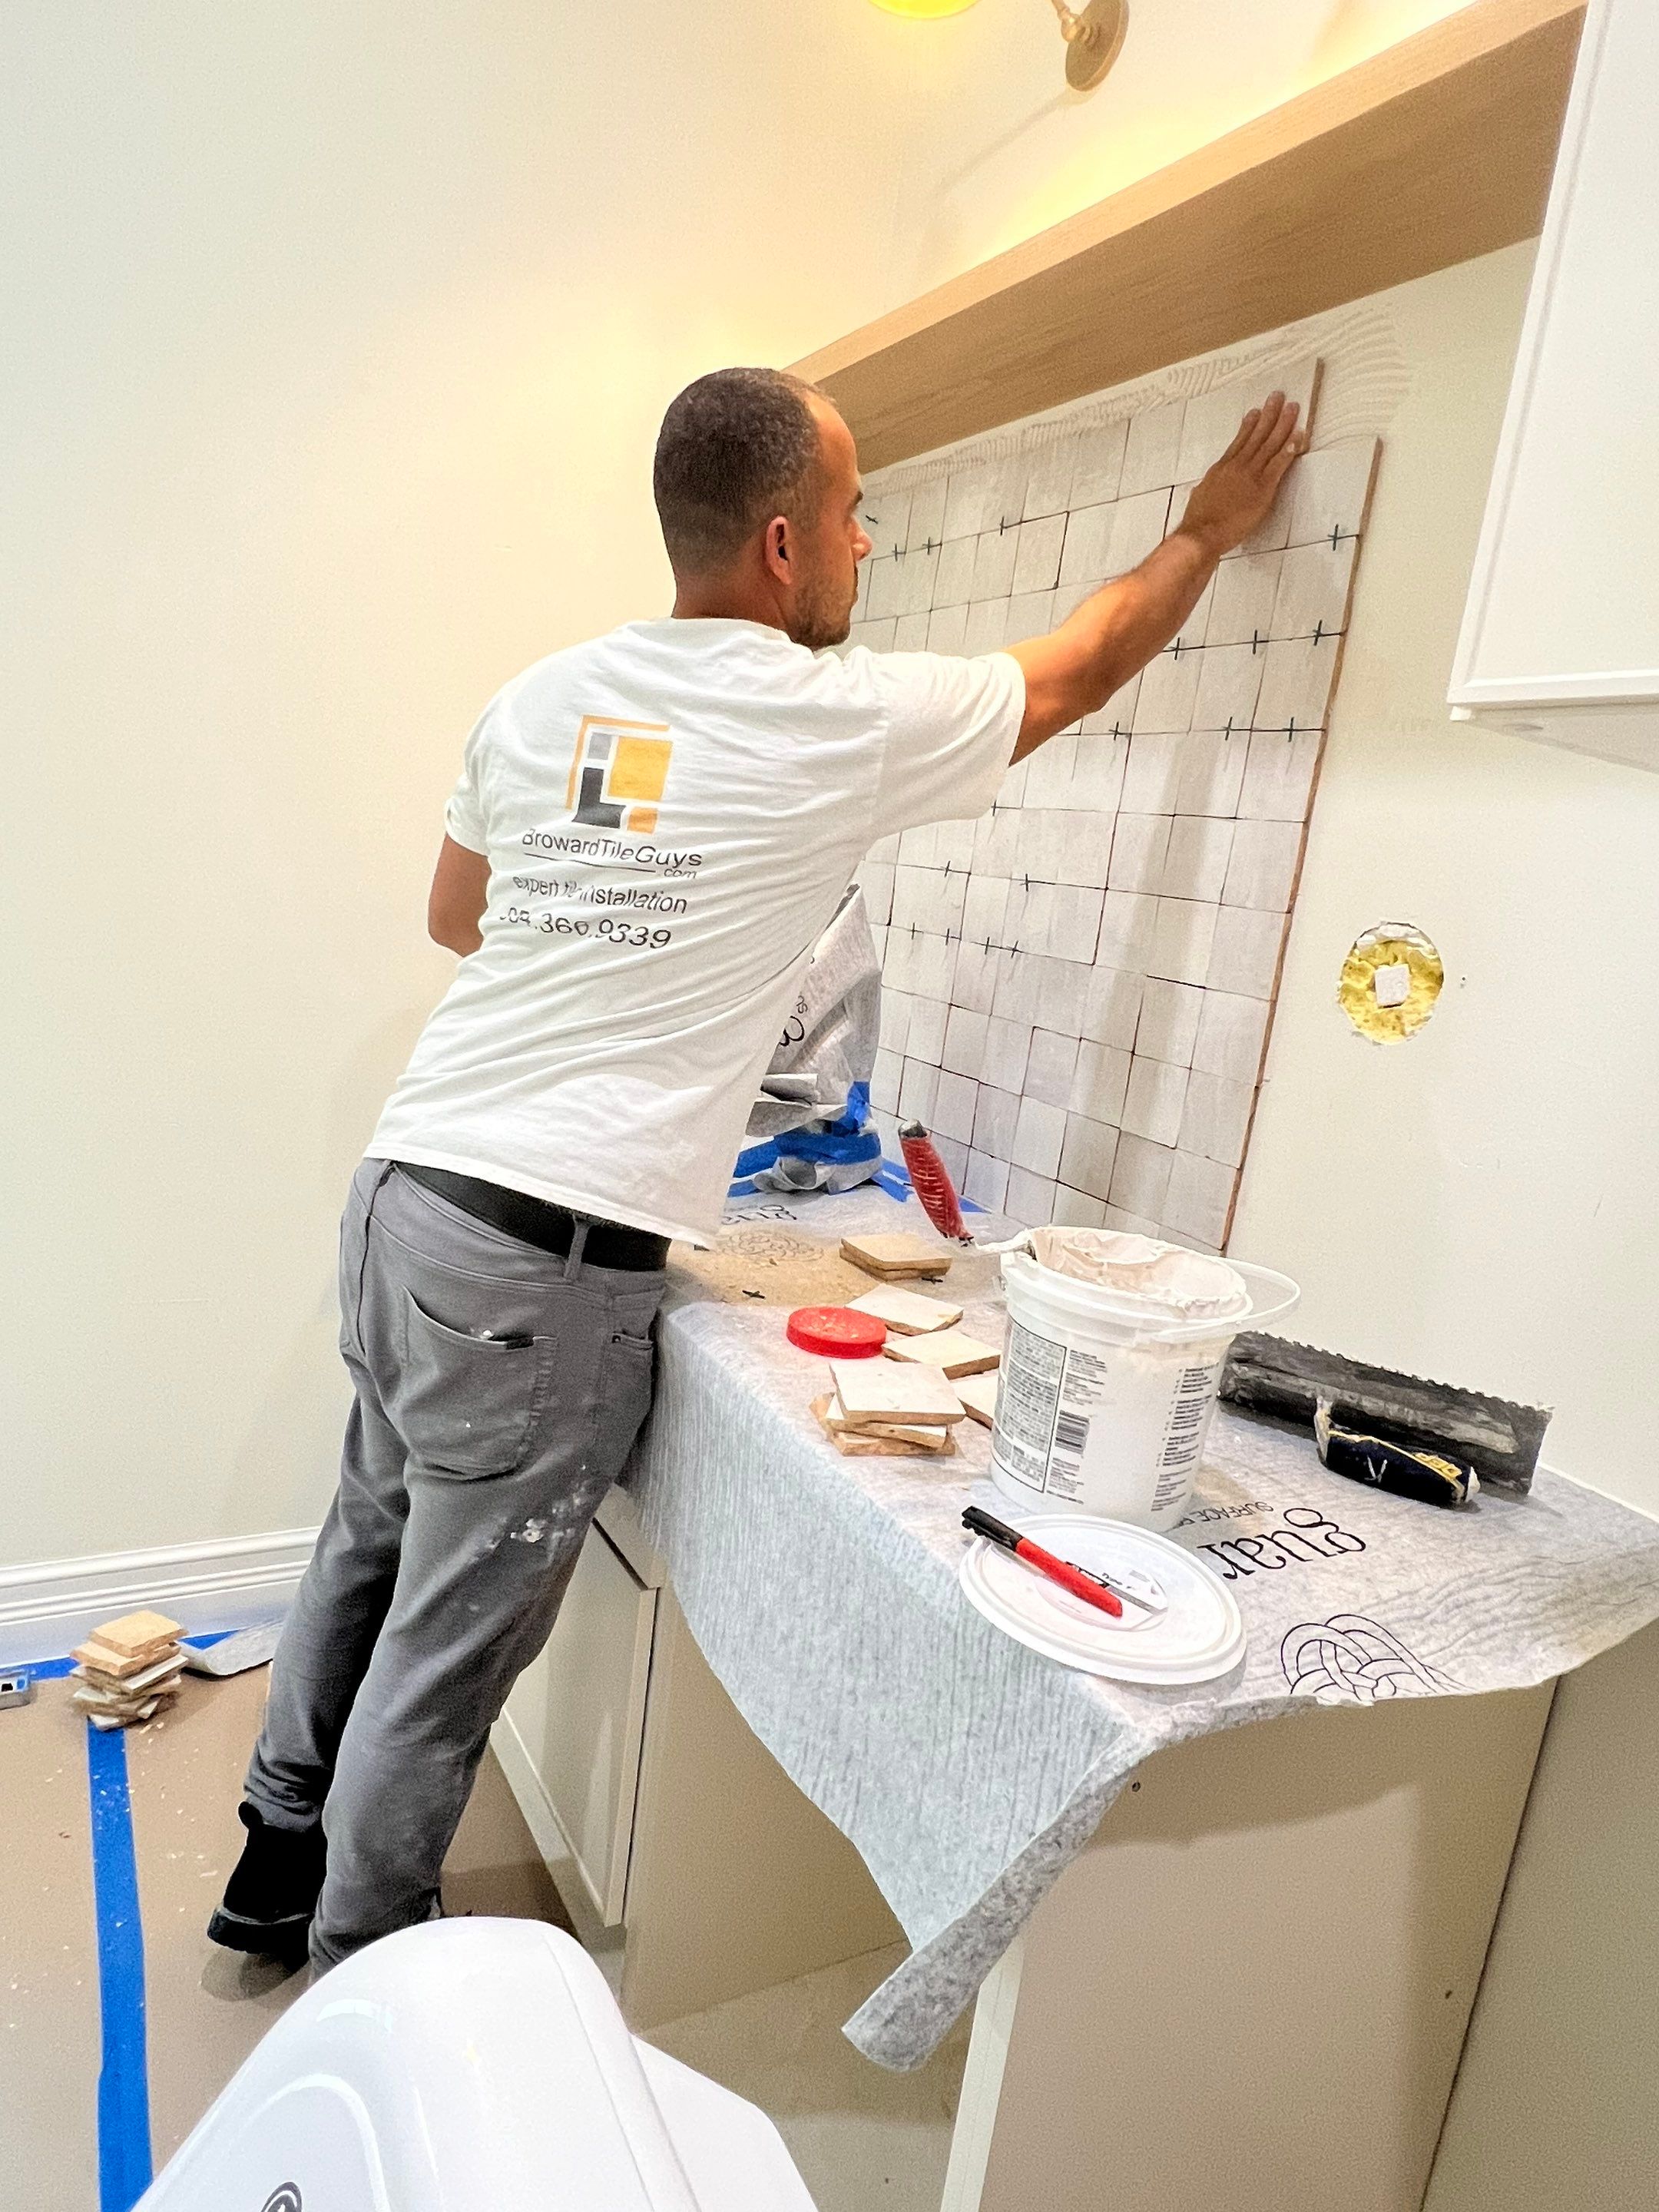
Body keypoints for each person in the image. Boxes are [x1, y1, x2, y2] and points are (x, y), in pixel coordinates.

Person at [209, 366, 1305, 1970]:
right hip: (536, 1270)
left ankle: (273, 1852)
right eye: (859, 514)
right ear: (787, 546)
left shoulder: (541, 696)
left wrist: (610, 923)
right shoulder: (826, 717)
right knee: (447, 1654)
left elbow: (457, 917)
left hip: (407, 1203)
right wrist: (1206, 532)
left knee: (369, 1534)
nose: (871, 545)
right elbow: (1080, 669)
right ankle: (373, 1972)